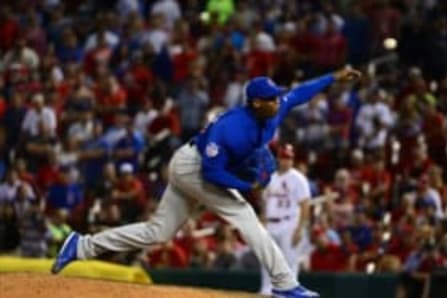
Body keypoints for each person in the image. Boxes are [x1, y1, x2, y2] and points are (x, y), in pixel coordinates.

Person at [51, 67, 361, 298]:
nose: (277, 101)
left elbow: (302, 91)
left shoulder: (274, 108)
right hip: (194, 167)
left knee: (158, 232)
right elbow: (212, 173)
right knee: (245, 217)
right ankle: (284, 283)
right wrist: (246, 188)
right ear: (255, 103)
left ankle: (82, 245)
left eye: (276, 96)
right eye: (270, 98)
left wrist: (334, 77)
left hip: (199, 165)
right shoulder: (231, 128)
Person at [259, 143, 312, 295]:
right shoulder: (271, 178)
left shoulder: (298, 179)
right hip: (271, 222)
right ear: (278, 159)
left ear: (292, 160)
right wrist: (262, 222)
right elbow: (265, 203)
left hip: (289, 223)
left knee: (289, 261)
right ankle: (266, 290)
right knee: (268, 259)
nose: (286, 161)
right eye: (283, 158)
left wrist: (300, 229)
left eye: (288, 158)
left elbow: (305, 205)